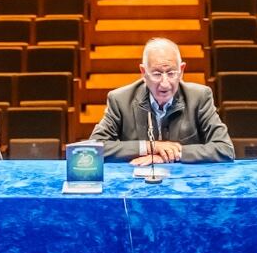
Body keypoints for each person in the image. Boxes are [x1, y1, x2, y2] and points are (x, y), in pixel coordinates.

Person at [89, 38, 234, 164]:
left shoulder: (200, 97)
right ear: (143, 72)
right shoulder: (120, 100)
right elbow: (94, 148)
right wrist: (150, 147)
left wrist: (171, 154)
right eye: (157, 74)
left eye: (171, 73)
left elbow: (225, 149)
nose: (165, 83)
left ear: (182, 70)